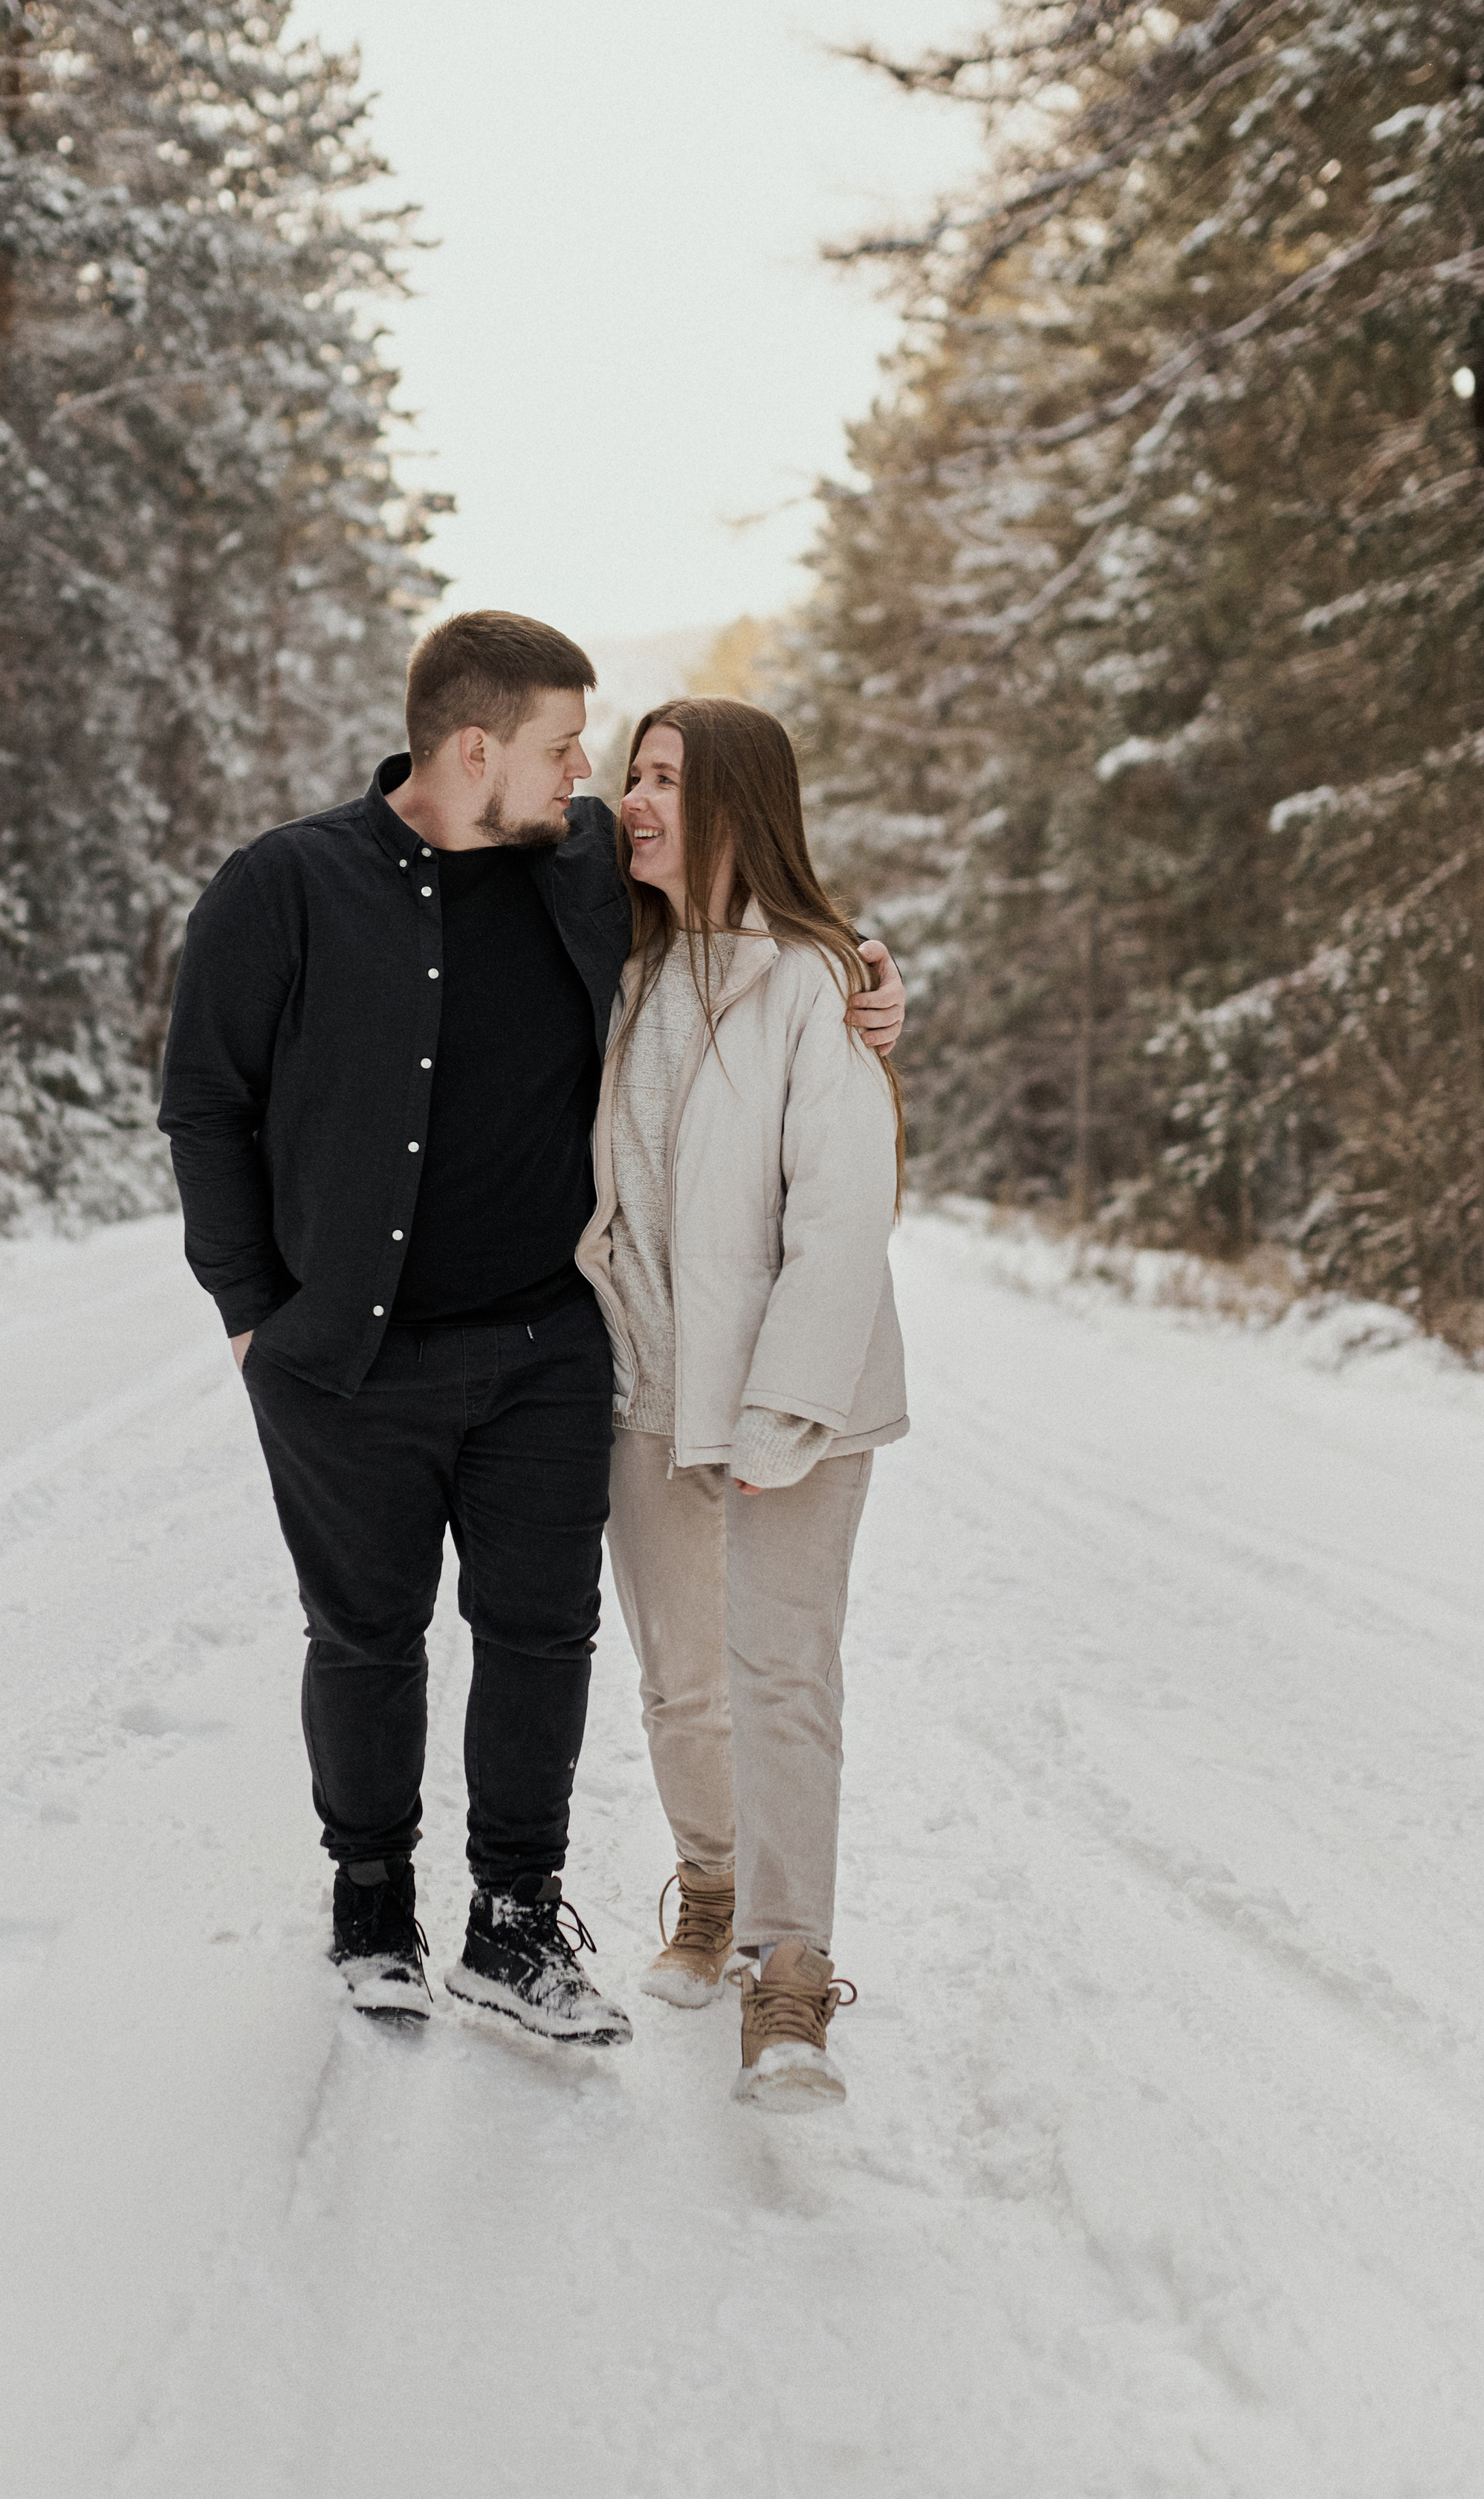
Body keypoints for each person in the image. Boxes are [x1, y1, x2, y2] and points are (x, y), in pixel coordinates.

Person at [158, 614, 904, 2042]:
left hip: (547, 1356)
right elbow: (206, 1103)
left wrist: (864, 973)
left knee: (544, 1635)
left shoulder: (575, 871)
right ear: (475, 746)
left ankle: (514, 1924)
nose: (594, 783)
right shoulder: (283, 888)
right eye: (572, 747)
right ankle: (372, 1899)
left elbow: (746, 916)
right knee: (366, 1635)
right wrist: (252, 1311)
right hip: (345, 1357)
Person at [575, 696, 907, 2112]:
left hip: (799, 1405)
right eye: (629, 774)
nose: (634, 800)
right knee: (677, 1678)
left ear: (738, 807)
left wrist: (782, 1417)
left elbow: (844, 1219)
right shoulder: (611, 965)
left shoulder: (815, 980)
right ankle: (710, 1883)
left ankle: (788, 1969)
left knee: (782, 1676)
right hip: (644, 1388)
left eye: (665, 781)